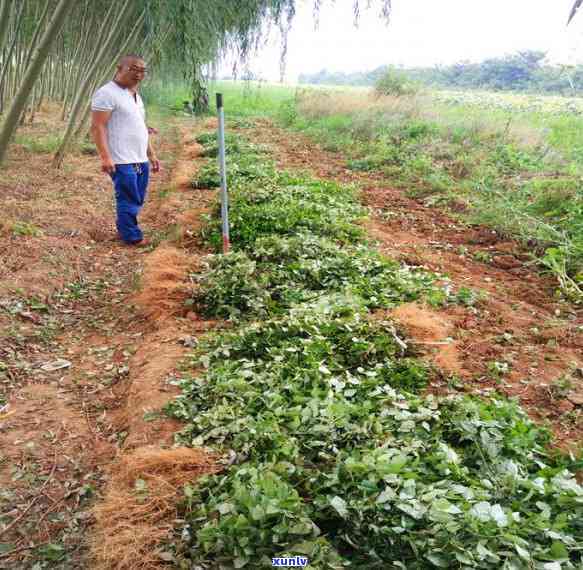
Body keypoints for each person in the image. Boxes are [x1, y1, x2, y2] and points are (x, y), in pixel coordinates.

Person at [90, 55, 160, 246]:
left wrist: (151, 153)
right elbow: (98, 127)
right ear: (119, 67)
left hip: (139, 157)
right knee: (128, 197)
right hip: (121, 158)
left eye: (143, 71)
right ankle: (132, 237)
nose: (139, 74)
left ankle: (124, 229)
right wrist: (105, 157)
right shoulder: (106, 93)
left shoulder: (136, 95)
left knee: (137, 197)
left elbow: (140, 126)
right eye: (134, 69)